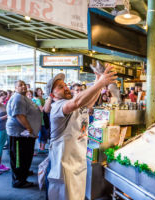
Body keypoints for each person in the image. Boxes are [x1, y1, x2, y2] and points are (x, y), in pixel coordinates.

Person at [47, 66, 116, 200]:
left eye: (65, 85)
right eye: (60, 87)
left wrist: (97, 82)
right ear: (52, 95)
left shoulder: (71, 103)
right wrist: (101, 83)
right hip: (64, 166)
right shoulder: (57, 107)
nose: (66, 87)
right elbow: (77, 101)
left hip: (78, 160)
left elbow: (88, 102)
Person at [6, 80, 41, 188]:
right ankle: (19, 181)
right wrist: (30, 129)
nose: (23, 86)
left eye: (24, 84)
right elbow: (19, 116)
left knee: (25, 157)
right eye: (20, 85)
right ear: (15, 88)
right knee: (19, 158)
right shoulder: (18, 98)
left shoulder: (23, 97)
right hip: (19, 134)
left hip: (25, 135)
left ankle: (23, 174)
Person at [32, 88, 48, 153]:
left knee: (45, 134)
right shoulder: (38, 100)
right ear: (36, 92)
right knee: (42, 134)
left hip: (45, 118)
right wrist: (47, 103)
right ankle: (40, 148)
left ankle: (42, 148)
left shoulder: (43, 99)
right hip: (40, 119)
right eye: (39, 91)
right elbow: (42, 109)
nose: (41, 92)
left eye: (41, 90)